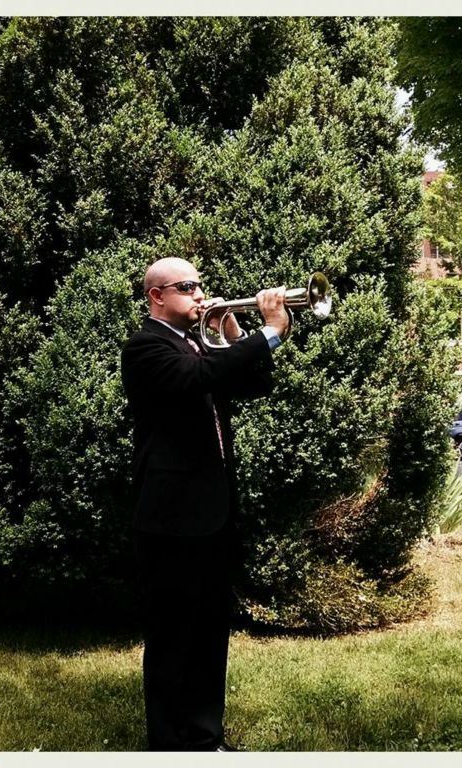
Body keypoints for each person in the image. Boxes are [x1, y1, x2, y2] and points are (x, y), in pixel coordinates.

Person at [120, 257, 289, 751]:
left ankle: (205, 738)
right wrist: (270, 331)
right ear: (157, 296)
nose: (200, 295)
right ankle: (168, 746)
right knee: (172, 637)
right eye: (187, 287)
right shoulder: (145, 347)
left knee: (210, 632)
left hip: (212, 512)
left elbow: (255, 385)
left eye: (200, 286)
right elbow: (197, 377)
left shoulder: (200, 344)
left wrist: (237, 336)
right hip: (170, 517)